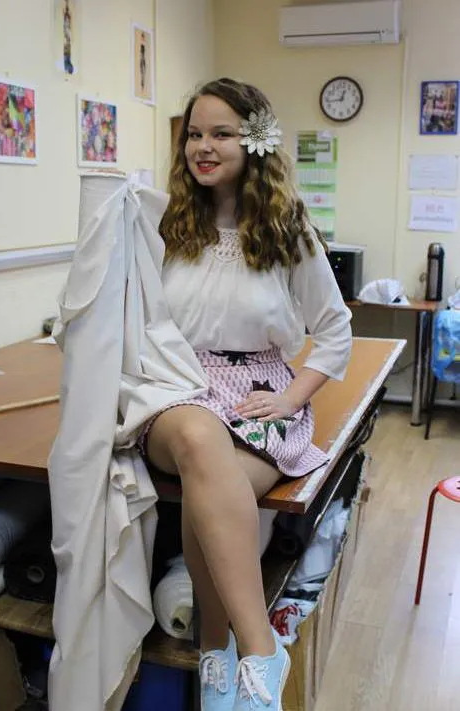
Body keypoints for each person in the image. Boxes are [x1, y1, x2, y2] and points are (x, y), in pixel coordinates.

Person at [142, 77, 352, 711]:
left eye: (222, 134)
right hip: (177, 387)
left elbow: (335, 331)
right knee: (198, 437)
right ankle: (263, 648)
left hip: (260, 390)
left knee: (211, 487)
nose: (202, 147)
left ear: (255, 141)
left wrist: (291, 399)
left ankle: (216, 650)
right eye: (194, 135)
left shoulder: (287, 231)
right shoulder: (165, 223)